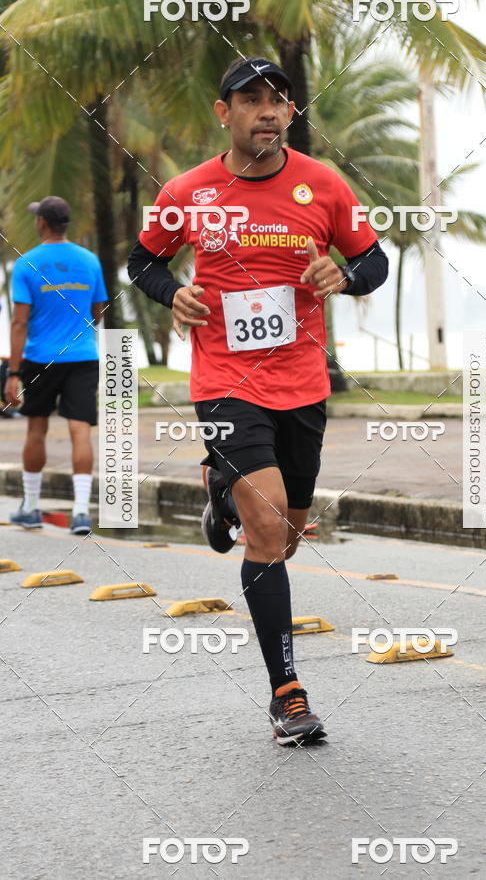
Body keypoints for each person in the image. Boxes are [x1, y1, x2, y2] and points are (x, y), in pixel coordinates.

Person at [128, 56, 388, 744]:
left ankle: (218, 487)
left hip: (301, 384)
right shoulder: (189, 192)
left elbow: (375, 259)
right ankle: (288, 694)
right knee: (268, 530)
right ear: (226, 114)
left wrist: (347, 273)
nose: (268, 111)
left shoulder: (323, 185)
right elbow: (142, 261)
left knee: (291, 534)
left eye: (279, 100)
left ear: (289, 114)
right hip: (223, 382)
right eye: (252, 100)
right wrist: (170, 292)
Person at [5, 196, 108, 534]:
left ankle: (31, 507)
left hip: (40, 359)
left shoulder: (26, 264)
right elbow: (98, 311)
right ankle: (80, 513)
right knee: (80, 431)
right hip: (82, 357)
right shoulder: (90, 260)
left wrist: (14, 373)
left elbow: (19, 323)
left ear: (42, 223)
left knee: (37, 429)